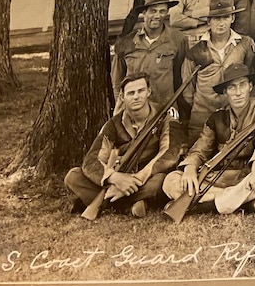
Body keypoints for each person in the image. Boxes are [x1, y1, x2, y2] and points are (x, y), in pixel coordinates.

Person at [164, 63, 255, 215]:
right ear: (225, 91)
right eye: (232, 87)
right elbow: (200, 149)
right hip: (221, 177)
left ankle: (204, 206)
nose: (238, 92)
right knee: (171, 181)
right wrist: (189, 168)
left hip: (249, 174)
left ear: (250, 86)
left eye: (242, 85)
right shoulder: (217, 117)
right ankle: (242, 201)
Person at [64, 72, 183, 218]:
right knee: (73, 177)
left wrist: (137, 179)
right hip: (119, 176)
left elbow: (169, 154)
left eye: (141, 91)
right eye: (131, 93)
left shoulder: (165, 116)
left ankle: (108, 201)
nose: (136, 96)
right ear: (122, 97)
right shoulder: (113, 124)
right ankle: (130, 205)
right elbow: (91, 160)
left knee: (159, 182)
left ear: (149, 92)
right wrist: (115, 179)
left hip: (148, 176)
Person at [181, 0, 255, 141]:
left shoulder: (245, 44)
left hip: (235, 118)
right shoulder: (195, 51)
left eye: (225, 17)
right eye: (216, 18)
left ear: (232, 18)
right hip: (202, 118)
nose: (221, 23)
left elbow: (250, 75)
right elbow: (187, 90)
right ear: (209, 21)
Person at [111, 0, 187, 109]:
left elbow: (180, 78)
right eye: (153, 10)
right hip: (135, 111)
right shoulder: (126, 43)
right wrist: (122, 107)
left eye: (162, 11)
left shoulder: (178, 40)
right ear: (144, 12)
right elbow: (117, 82)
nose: (157, 15)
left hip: (165, 109)